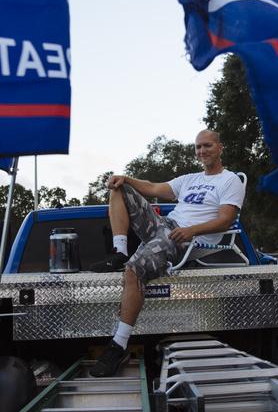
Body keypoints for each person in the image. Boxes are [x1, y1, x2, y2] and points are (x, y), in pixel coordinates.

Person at [88, 129, 245, 377]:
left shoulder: (230, 181)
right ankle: (119, 250)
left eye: (207, 146)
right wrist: (125, 178)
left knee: (133, 271)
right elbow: (152, 187)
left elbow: (225, 221)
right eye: (198, 147)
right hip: (165, 227)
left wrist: (191, 230)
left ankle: (117, 346)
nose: (202, 151)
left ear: (220, 147)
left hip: (183, 239)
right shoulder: (190, 179)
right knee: (119, 188)